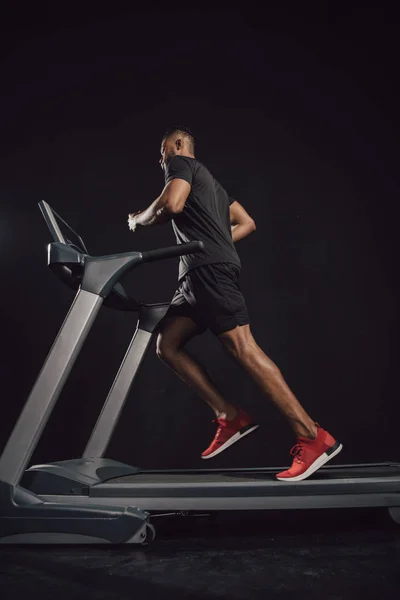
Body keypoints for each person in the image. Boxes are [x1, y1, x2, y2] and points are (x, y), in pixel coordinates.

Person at [127, 126, 342, 481]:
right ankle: (230, 417)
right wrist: (217, 241)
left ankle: (313, 436)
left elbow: (172, 204)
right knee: (168, 345)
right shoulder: (211, 184)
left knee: (243, 349)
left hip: (207, 271)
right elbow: (247, 223)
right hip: (195, 277)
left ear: (179, 145)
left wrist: (138, 219)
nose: (160, 158)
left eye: (162, 150)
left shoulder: (180, 164)